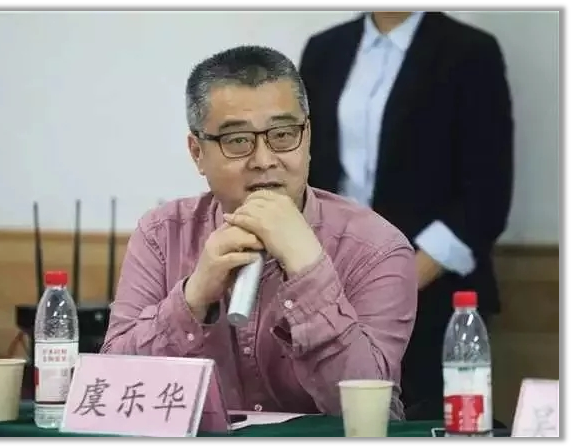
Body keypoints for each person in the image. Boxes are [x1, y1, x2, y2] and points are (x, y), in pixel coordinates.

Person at [101, 45, 418, 419]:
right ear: (197, 152)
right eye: (238, 140)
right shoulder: (161, 235)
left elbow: (370, 413)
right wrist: (193, 298)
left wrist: (309, 270)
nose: (264, 160)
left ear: (307, 137)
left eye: (282, 134)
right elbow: (112, 391)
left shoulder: (377, 248)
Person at [298, 12, 514, 419]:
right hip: (337, 285)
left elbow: (487, 193)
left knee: (426, 418)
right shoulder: (325, 49)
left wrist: (398, 280)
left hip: (435, 294)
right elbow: (305, 164)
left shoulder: (470, 51)